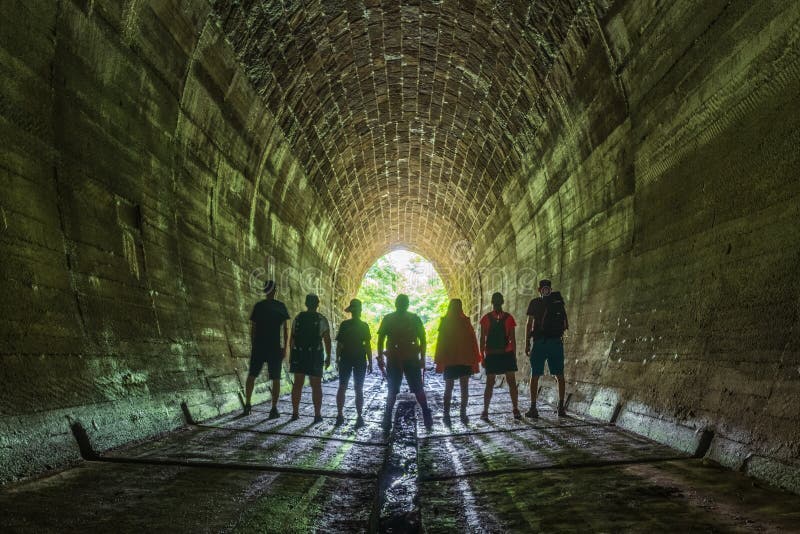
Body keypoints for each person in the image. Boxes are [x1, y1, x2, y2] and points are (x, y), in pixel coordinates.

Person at [377, 294, 434, 430]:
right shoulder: (414, 318)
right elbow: (423, 340)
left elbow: (381, 340)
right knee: (417, 388)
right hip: (410, 357)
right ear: (407, 304)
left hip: (396, 357)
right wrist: (422, 358)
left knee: (393, 389)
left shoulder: (389, 318)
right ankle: (426, 414)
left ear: (396, 304)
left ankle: (387, 417)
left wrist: (381, 358)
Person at [244, 280, 290, 418]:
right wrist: (285, 347)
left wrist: (254, 344)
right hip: (274, 347)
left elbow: (253, 328)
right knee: (276, 378)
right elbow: (286, 329)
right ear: (275, 291)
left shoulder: (259, 306)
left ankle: (247, 404)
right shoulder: (280, 306)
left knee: (252, 375)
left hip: (259, 346)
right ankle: (274, 408)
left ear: (265, 291)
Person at [525, 279, 569, 418]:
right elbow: (565, 323)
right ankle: (561, 407)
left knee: (535, 375)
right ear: (550, 289)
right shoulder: (557, 303)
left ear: (539, 290)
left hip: (540, 343)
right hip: (556, 343)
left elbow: (529, 324)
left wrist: (527, 342)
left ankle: (533, 408)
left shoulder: (535, 302)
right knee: (559, 375)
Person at [434, 299, 481, 425]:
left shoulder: (445, 322)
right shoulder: (465, 322)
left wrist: (440, 358)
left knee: (448, 388)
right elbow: (472, 341)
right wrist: (474, 358)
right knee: (464, 388)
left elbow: (441, 342)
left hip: (450, 360)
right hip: (464, 360)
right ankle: (462, 413)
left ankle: (446, 414)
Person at [288, 294, 332, 424]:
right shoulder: (321, 319)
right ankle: (317, 415)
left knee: (297, 384)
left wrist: (292, 354)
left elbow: (293, 338)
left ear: (306, 303)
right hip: (315, 355)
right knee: (316, 386)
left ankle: (295, 413)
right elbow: (327, 339)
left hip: (299, 354)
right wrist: (328, 356)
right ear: (318, 304)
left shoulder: (298, 318)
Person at [479, 292, 521, 421]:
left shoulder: (485, 319)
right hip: (506, 354)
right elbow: (512, 339)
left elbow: (482, 339)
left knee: (489, 383)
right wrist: (513, 356)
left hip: (491, 354)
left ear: (492, 302)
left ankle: (485, 411)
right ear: (503, 302)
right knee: (512, 383)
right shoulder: (509, 318)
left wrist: (482, 356)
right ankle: (515, 409)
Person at [335, 298, 373, 427]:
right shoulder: (364, 326)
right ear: (360, 311)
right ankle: (359, 416)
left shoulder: (345, 325)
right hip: (359, 359)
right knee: (359, 388)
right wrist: (370, 362)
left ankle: (340, 415)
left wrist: (336, 359)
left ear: (350, 311)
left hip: (345, 359)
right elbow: (367, 345)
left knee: (342, 386)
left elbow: (339, 345)